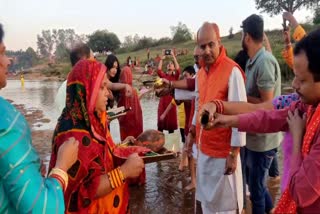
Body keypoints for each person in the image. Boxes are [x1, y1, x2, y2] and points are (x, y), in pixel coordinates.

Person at [204, 28, 320, 213]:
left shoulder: (260, 63)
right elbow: (268, 116)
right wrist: (224, 118)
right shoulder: (307, 105)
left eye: (302, 80)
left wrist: (297, 137)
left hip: (266, 149)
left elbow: (302, 193)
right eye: (295, 77)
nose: (294, 85)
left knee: (257, 187)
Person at [0, 23, 79, 213]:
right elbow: (42, 209)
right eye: (2, 52)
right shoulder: (6, 121)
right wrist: (61, 168)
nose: (8, 61)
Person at [49, 59, 145, 213]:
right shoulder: (75, 136)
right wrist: (124, 172)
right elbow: (84, 191)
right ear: (88, 90)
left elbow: (99, 158)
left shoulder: (92, 120)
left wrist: (122, 147)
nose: (108, 93)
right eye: (102, 87)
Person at [195, 22, 247, 213]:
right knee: (208, 203)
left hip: (225, 154)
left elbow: (240, 114)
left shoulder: (232, 71)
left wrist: (234, 153)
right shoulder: (200, 73)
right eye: (203, 46)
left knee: (227, 207)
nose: (207, 50)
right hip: (204, 149)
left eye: (211, 44)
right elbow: (198, 106)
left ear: (219, 42)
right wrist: (192, 136)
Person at [241, 14, 282, 213]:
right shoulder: (253, 62)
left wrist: (241, 97)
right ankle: (272, 209)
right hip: (254, 137)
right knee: (255, 184)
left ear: (247, 36)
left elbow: (267, 104)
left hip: (263, 140)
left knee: (256, 190)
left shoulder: (264, 62)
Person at [157, 49, 180, 133]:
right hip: (162, 103)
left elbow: (178, 70)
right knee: (160, 127)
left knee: (171, 128)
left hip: (171, 103)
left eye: (171, 64)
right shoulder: (164, 76)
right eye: (168, 64)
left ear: (173, 67)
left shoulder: (175, 77)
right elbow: (159, 70)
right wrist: (162, 58)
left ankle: (171, 145)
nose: (169, 65)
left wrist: (173, 56)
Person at [118, 65, 143, 141]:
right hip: (137, 122)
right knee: (136, 142)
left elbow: (121, 109)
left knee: (126, 144)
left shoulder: (121, 91)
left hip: (125, 124)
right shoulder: (134, 91)